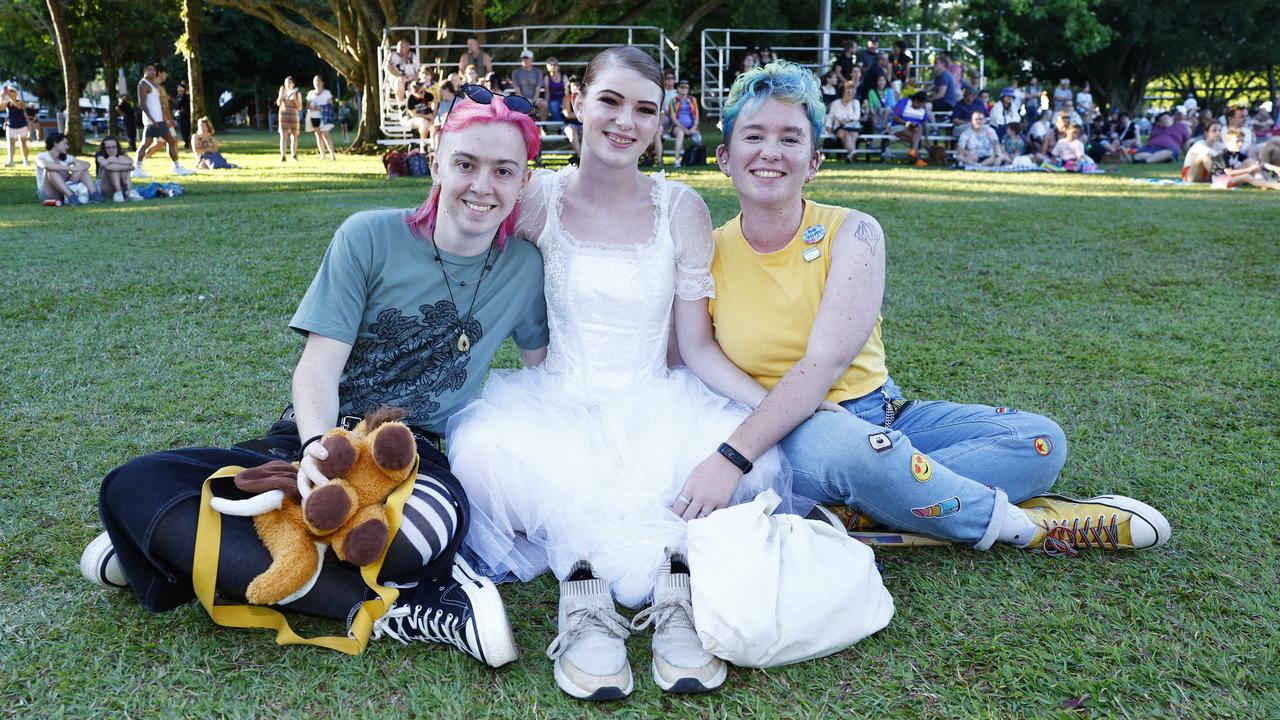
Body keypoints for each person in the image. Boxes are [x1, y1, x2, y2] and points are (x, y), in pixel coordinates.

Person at [78, 89, 550, 670]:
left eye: (504, 170)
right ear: (435, 161)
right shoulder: (368, 236)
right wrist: (313, 453)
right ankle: (408, 608)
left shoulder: (526, 269)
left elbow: (543, 373)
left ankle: (188, 550)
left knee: (424, 534)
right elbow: (318, 368)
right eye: (466, 164)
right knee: (133, 486)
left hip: (415, 457)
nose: (483, 185)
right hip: (316, 434)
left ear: (523, 180)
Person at [706, 59, 1171, 599]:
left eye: (791, 138)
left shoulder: (854, 231)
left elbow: (825, 362)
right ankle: (1027, 528)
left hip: (882, 413)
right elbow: (694, 355)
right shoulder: (708, 251)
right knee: (851, 450)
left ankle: (874, 510)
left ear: (813, 162)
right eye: (754, 135)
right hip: (786, 433)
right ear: (725, 157)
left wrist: (889, 467)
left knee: (1041, 441)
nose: (771, 151)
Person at [445, 47, 803, 701]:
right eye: (610, 100)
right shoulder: (536, 199)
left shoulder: (681, 208)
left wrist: (772, 408)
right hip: (554, 405)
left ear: (661, 124)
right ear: (577, 102)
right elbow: (455, 239)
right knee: (481, 455)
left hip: (655, 401)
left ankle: (676, 585)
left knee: (754, 459)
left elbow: (695, 349)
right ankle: (585, 594)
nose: (624, 120)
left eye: (646, 109)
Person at [133, 64, 194, 178]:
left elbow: (158, 105)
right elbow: (142, 104)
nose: (152, 72)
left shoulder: (154, 85)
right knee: (170, 141)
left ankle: (137, 168)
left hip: (158, 119)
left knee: (147, 144)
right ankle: (176, 167)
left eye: (154, 70)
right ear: (144, 70)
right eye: (149, 69)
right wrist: (153, 120)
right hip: (154, 121)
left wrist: (165, 118)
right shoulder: (143, 84)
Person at [36, 131, 95, 206]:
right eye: (65, 144)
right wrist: (70, 169)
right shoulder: (41, 156)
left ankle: (94, 194)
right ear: (55, 143)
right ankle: (71, 196)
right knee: (51, 171)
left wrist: (77, 168)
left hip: (64, 189)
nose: (67, 147)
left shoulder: (65, 157)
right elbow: (46, 166)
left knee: (80, 167)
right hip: (48, 193)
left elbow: (87, 164)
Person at [1212, 127, 1280, 190]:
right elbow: (1229, 172)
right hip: (1219, 181)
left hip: (1229, 179)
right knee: (1246, 176)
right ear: (1227, 142)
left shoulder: (1237, 154)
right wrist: (1250, 169)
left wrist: (1274, 168)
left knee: (1249, 163)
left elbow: (1256, 163)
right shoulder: (1222, 155)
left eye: (1242, 141)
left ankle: (1264, 182)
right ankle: (1274, 185)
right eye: (1237, 141)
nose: (1240, 144)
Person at [94, 135, 143, 201]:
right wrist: (111, 159)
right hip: (104, 185)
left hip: (122, 182)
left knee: (118, 167)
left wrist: (112, 160)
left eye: (114, 147)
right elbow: (105, 165)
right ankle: (119, 192)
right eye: (108, 148)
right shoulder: (100, 154)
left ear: (117, 147)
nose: (111, 150)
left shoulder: (121, 154)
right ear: (104, 148)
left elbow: (130, 161)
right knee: (113, 169)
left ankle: (128, 191)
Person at [824, 81, 861, 163]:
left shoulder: (856, 102)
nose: (851, 93)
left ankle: (851, 155)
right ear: (843, 91)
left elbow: (857, 116)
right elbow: (830, 116)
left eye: (853, 91)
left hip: (853, 126)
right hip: (839, 127)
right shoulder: (835, 103)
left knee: (853, 135)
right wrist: (828, 127)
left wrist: (844, 119)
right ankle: (853, 154)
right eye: (848, 90)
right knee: (846, 134)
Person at [668, 79, 702, 167]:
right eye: (682, 87)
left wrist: (694, 127)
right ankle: (677, 161)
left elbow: (696, 116)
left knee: (698, 138)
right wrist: (684, 129)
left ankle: (696, 159)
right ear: (678, 89)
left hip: (691, 126)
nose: (684, 89)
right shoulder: (673, 101)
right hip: (677, 127)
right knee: (680, 133)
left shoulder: (692, 100)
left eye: (686, 87)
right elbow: (673, 118)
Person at [891, 91, 929, 166]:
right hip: (899, 126)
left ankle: (913, 152)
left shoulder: (923, 109)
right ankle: (917, 159)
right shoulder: (904, 102)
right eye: (921, 104)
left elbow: (924, 122)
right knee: (915, 138)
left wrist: (926, 137)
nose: (922, 106)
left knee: (918, 129)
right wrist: (907, 123)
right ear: (916, 101)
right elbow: (895, 118)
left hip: (914, 129)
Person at [404, 68, 436, 154]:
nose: (423, 93)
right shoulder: (410, 100)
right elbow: (414, 115)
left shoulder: (427, 95)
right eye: (421, 92)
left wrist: (433, 113)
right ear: (415, 93)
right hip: (412, 120)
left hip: (427, 119)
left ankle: (433, 149)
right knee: (424, 122)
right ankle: (422, 145)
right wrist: (428, 116)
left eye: (423, 90)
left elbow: (434, 103)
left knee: (434, 126)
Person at [306, 76, 338, 160]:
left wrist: (321, 108)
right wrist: (311, 107)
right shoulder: (311, 93)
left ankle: (332, 155)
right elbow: (307, 105)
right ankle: (322, 155)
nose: (316, 83)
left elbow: (331, 105)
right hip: (314, 117)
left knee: (326, 134)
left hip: (324, 117)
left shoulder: (327, 93)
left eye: (318, 81)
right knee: (318, 135)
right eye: (315, 81)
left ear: (322, 82)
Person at [510, 50, 547, 120]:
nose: (525, 60)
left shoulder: (538, 72)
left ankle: (543, 127)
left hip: (535, 99)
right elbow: (517, 90)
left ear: (531, 59)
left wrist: (533, 101)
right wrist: (525, 102)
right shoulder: (515, 72)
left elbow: (538, 89)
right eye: (523, 58)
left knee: (544, 104)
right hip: (521, 98)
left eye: (527, 58)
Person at [384, 39, 419, 104]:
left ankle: (413, 108)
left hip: (410, 79)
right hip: (396, 79)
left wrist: (412, 79)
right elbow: (389, 68)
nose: (399, 48)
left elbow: (418, 72)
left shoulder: (413, 57)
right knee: (399, 81)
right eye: (398, 46)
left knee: (417, 85)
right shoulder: (392, 56)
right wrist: (401, 76)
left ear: (408, 48)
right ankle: (401, 106)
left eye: (402, 47)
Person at [277, 76, 303, 162]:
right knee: (283, 136)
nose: (287, 84)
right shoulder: (282, 91)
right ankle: (283, 155)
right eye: (286, 82)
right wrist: (282, 95)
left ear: (293, 84)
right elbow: (278, 103)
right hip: (283, 115)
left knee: (294, 135)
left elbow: (299, 107)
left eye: (289, 82)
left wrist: (294, 100)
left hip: (293, 115)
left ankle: (293, 155)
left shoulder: (297, 93)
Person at [4, 86, 31, 166]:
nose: (10, 92)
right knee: (11, 143)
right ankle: (10, 161)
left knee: (23, 143)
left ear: (15, 93)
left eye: (11, 91)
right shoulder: (7, 102)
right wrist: (2, 96)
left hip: (22, 125)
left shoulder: (20, 102)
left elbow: (19, 106)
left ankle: (25, 160)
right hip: (11, 125)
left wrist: (11, 98)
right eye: (9, 91)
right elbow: (1, 107)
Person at [543, 58, 566, 122]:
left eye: (555, 65)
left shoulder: (564, 77)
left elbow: (566, 91)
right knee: (553, 107)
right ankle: (559, 125)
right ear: (547, 67)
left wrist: (566, 102)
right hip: (553, 99)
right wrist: (546, 104)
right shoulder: (547, 78)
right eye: (551, 65)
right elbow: (547, 92)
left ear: (558, 66)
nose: (553, 66)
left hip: (563, 98)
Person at [174, 80, 192, 151]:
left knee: (185, 130)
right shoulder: (179, 96)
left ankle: (187, 144)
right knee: (183, 130)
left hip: (185, 115)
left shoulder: (185, 96)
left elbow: (178, 106)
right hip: (181, 116)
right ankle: (187, 143)